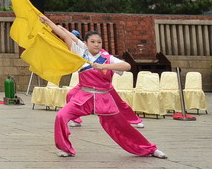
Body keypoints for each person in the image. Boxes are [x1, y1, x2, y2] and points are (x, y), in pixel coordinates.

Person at [40, 15, 167, 159]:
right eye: (93, 42)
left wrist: (104, 66)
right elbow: (63, 34)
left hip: (104, 99)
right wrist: (47, 21)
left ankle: (150, 149)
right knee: (61, 116)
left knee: (123, 128)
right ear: (86, 43)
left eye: (99, 42)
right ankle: (66, 148)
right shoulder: (81, 53)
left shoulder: (107, 57)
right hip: (84, 97)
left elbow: (127, 66)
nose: (96, 44)